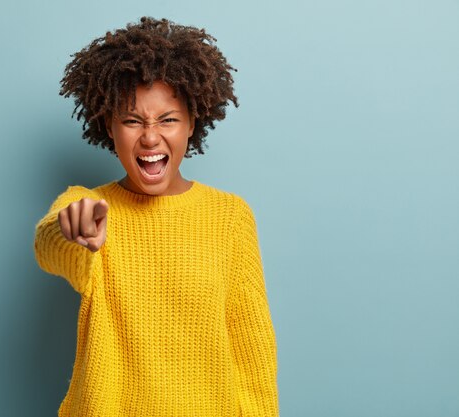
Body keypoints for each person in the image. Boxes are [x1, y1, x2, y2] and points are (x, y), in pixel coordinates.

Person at [34, 16, 279, 416]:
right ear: (109, 128)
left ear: (191, 124)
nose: (150, 137)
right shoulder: (91, 205)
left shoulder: (230, 216)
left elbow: (253, 352)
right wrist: (72, 228)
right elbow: (51, 246)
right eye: (132, 120)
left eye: (168, 119)